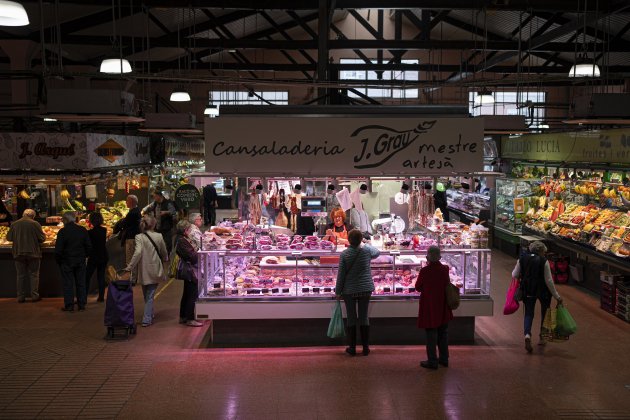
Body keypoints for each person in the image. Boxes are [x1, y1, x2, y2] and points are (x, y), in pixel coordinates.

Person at [335, 229, 380, 356]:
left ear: (348, 240)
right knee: (364, 317)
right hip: (365, 289)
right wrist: (365, 243)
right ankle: (365, 348)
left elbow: (341, 275)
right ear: (360, 239)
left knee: (351, 318)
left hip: (349, 290)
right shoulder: (366, 251)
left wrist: (338, 291)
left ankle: (352, 347)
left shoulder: (344, 254)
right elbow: (377, 252)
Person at [512, 241, 562, 353]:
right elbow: (549, 280)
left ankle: (527, 335)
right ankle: (542, 337)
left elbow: (514, 274)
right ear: (541, 251)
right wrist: (557, 296)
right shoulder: (544, 261)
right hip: (543, 291)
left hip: (528, 289)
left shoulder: (522, 258)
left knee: (529, 313)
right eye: (544, 252)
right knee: (545, 312)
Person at [124, 215, 168, 327]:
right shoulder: (159, 236)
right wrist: (166, 258)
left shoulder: (139, 237)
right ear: (153, 224)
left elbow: (138, 253)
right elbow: (163, 251)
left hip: (143, 270)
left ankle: (148, 316)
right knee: (149, 295)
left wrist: (130, 266)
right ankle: (147, 318)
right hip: (155, 269)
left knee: (147, 295)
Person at [414, 246, 453, 369]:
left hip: (430, 305)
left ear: (427, 258)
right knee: (443, 332)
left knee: (431, 333)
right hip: (442, 305)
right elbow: (446, 283)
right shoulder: (445, 269)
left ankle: (432, 361)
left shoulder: (425, 271)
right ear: (440, 257)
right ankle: (444, 359)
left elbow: (418, 287)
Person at [55, 212, 92, 312]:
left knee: (68, 283)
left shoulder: (62, 232)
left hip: (66, 261)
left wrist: (59, 261)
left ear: (65, 220)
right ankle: (81, 304)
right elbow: (88, 246)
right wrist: (85, 256)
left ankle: (69, 305)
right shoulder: (82, 230)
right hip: (80, 260)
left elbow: (58, 250)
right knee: (81, 282)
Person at [6, 209, 45, 303]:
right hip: (33, 253)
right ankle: (34, 296)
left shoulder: (15, 224)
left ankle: (20, 297)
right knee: (34, 275)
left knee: (20, 275)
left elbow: (9, 238)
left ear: (23, 215)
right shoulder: (35, 224)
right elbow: (42, 238)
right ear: (33, 216)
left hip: (18, 252)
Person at [174, 220, 203, 327]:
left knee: (186, 293)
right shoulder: (181, 241)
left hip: (188, 270)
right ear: (186, 230)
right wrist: (198, 251)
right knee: (192, 294)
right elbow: (193, 257)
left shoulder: (180, 239)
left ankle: (183, 316)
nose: (191, 231)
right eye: (190, 229)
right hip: (189, 271)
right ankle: (190, 319)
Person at [142, 189, 176, 254]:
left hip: (166, 228)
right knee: (158, 243)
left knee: (167, 243)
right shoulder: (155, 203)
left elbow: (173, 211)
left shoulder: (168, 203)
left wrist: (166, 212)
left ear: (159, 196)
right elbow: (147, 208)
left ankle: (167, 257)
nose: (154, 198)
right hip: (157, 227)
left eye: (155, 196)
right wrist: (143, 211)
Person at [113, 194, 142, 270]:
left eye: (127, 201)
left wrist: (119, 222)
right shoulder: (136, 210)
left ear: (131, 202)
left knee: (130, 258)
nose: (126, 202)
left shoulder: (132, 213)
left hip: (131, 237)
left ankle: (132, 278)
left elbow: (124, 223)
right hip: (134, 236)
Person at [85, 212, 108, 302]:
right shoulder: (104, 230)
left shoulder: (89, 232)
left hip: (94, 256)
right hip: (103, 255)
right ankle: (101, 297)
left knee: (87, 277)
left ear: (91, 221)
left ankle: (84, 296)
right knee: (101, 276)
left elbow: (89, 245)